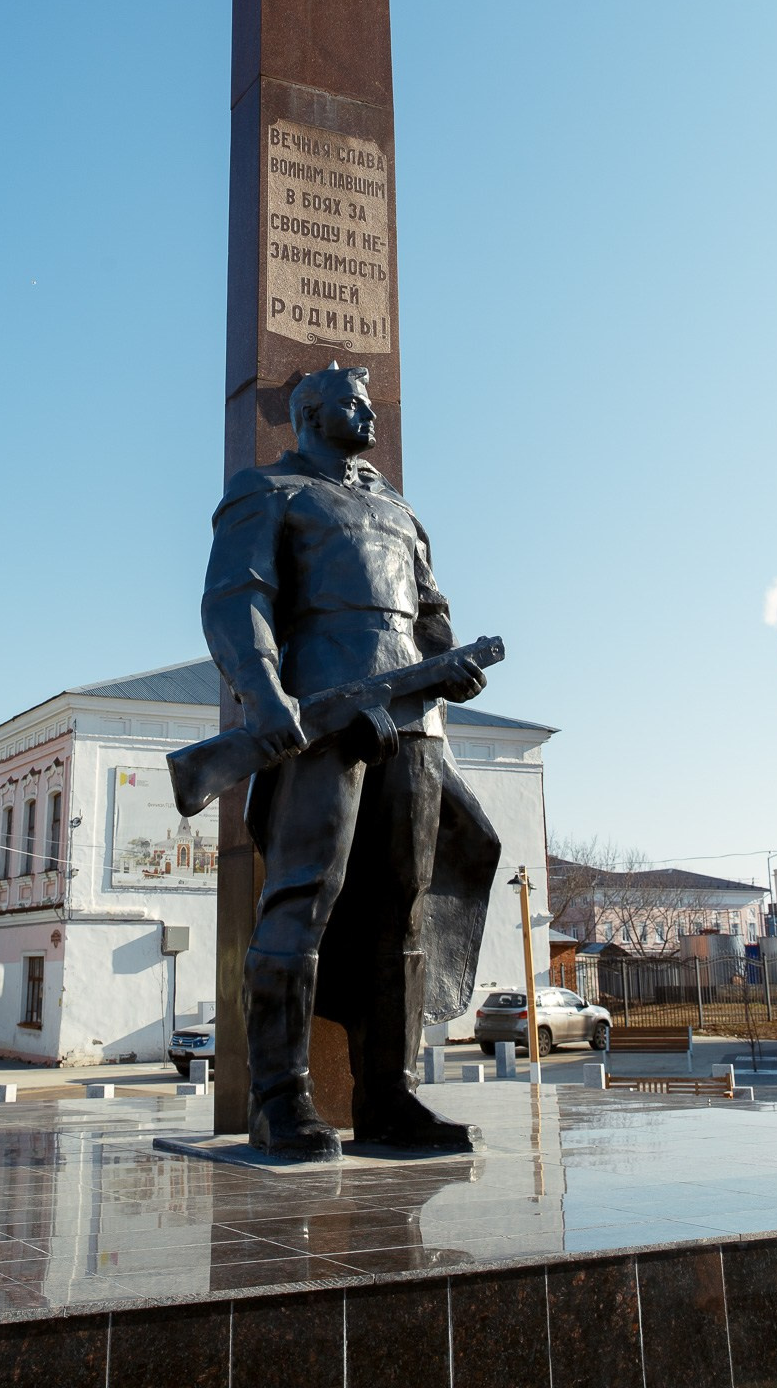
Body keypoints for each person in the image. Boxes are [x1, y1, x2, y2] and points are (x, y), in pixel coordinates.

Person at [202, 361, 500, 1161]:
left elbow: (431, 616)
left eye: (370, 404)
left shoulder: (401, 511)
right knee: (302, 897)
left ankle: (388, 1095)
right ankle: (279, 1098)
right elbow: (239, 603)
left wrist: (451, 667)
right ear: (307, 411)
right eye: (351, 404)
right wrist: (273, 708)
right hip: (325, 718)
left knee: (400, 908)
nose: (368, 415)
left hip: (416, 725)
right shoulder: (269, 491)